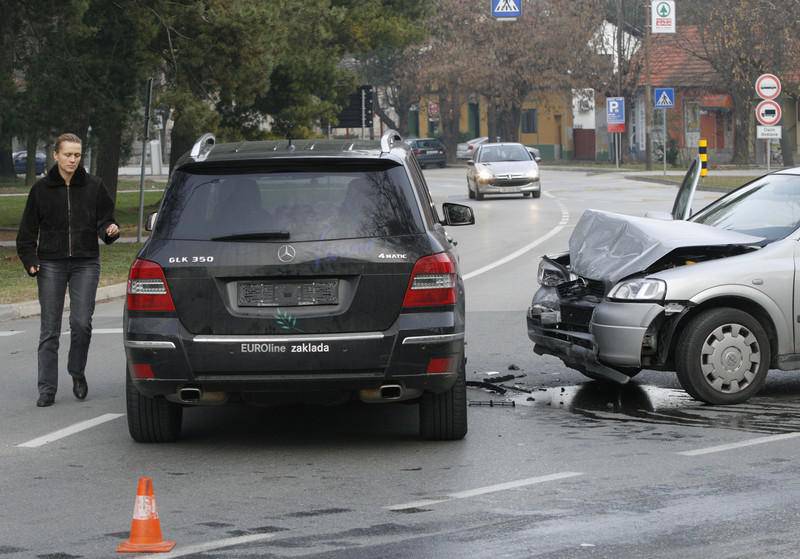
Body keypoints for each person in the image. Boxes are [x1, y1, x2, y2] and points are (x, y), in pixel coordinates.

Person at [16, 133, 120, 407]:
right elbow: (26, 234)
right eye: (68, 154)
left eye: (77, 155)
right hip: (50, 263)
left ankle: (77, 372)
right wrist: (31, 261)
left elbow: (106, 221)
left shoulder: (94, 186)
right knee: (50, 329)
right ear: (56, 155)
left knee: (81, 323)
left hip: (86, 262)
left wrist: (110, 231)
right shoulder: (40, 190)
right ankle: (47, 389)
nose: (73, 159)